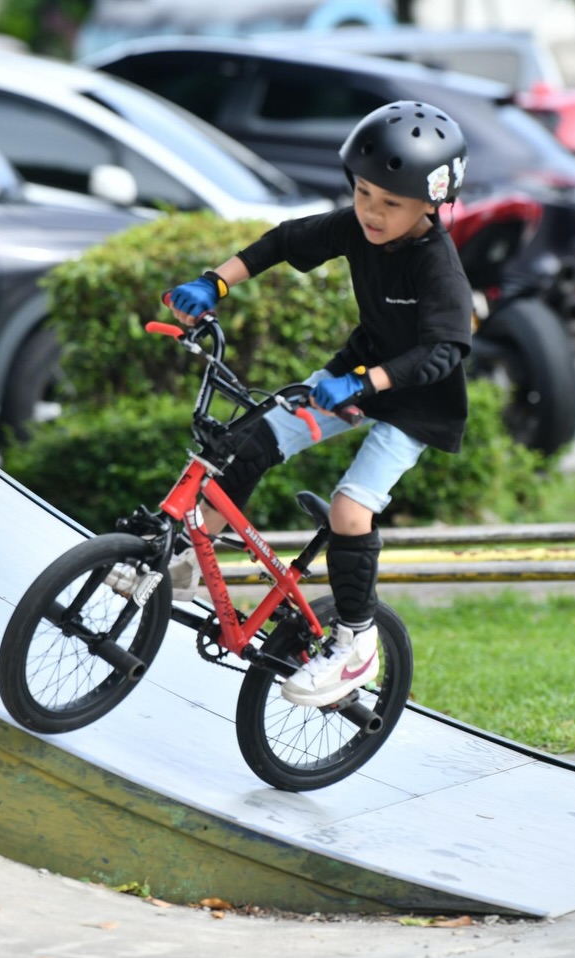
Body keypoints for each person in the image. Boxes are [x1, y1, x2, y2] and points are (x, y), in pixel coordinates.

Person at [165, 101, 473, 709]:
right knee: (247, 443)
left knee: (349, 512)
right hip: (350, 376)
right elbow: (284, 241)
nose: (372, 213)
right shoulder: (357, 226)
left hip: (415, 406)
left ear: (432, 205)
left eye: (391, 203)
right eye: (363, 194)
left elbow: (446, 352)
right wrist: (215, 281)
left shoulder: (439, 268)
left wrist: (366, 383)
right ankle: (184, 565)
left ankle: (357, 643)